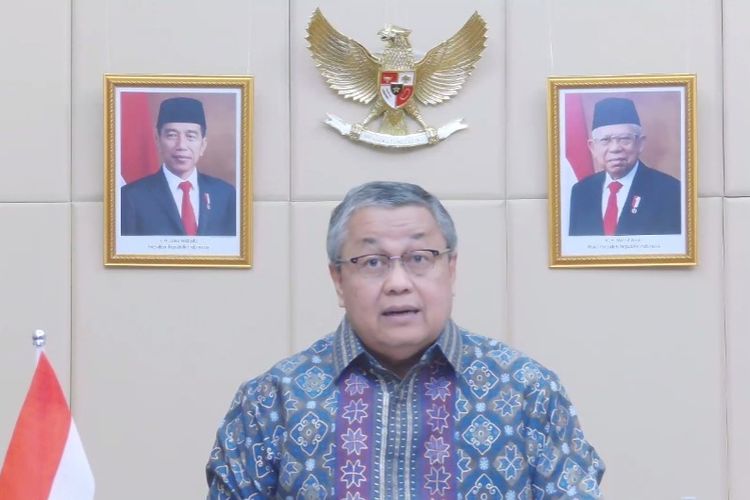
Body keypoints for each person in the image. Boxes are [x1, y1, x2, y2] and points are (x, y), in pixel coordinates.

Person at [206, 181, 605, 499]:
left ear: (451, 269)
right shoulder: (272, 400)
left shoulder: (528, 392)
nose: (398, 283)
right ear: (338, 280)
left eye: (419, 258)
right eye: (373, 262)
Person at [120, 97, 236, 236]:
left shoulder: (225, 194)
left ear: (203, 145)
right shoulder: (131, 197)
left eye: (190, 136)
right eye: (172, 135)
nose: (181, 145)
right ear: (157, 140)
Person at [568, 97, 681, 236]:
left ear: (640, 143)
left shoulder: (671, 191)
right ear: (592, 147)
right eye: (605, 140)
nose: (615, 148)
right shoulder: (581, 191)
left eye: (624, 139)